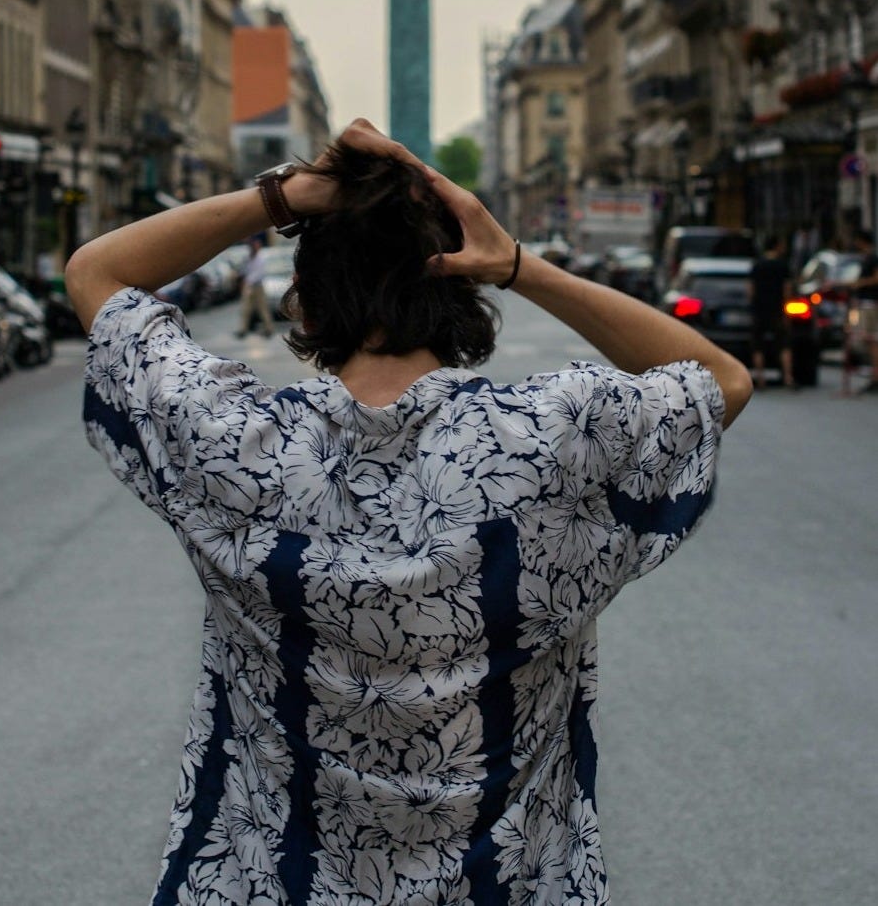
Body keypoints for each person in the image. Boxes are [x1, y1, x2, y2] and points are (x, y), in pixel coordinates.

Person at [66, 119, 752, 905]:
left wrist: (288, 193)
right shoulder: (547, 439)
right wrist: (521, 266)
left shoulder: (238, 442)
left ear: (308, 303)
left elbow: (98, 272)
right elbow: (719, 377)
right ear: (459, 289)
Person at [749, 234, 796, 389]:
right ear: (777, 245)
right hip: (777, 310)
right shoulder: (783, 266)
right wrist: (786, 309)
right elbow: (787, 290)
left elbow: (751, 289)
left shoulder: (757, 265)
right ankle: (788, 378)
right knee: (783, 344)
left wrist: (753, 306)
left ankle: (760, 378)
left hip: (760, 310)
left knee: (758, 345)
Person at [850, 228, 878, 393]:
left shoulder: (873, 257)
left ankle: (875, 376)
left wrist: (859, 283)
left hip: (870, 303)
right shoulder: (867, 257)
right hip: (866, 302)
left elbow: (876, 278)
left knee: (872, 339)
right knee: (868, 339)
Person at [234, 233, 275, 338]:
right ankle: (243, 329)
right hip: (249, 285)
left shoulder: (260, 258)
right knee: (246, 309)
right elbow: (245, 270)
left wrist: (248, 282)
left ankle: (268, 328)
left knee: (262, 308)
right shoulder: (249, 257)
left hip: (257, 285)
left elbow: (258, 273)